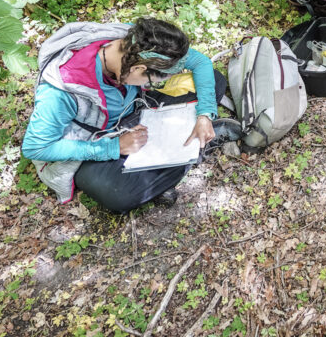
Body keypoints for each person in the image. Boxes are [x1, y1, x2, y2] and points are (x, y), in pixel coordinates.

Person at [22, 18, 226, 213]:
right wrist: (114, 147)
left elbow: (200, 62)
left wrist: (204, 115)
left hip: (137, 108)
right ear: (138, 69)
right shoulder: (60, 91)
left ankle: (181, 154)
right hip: (96, 138)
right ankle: (188, 152)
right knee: (116, 194)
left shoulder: (140, 44)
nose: (154, 83)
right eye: (154, 80)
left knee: (214, 81)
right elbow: (36, 147)